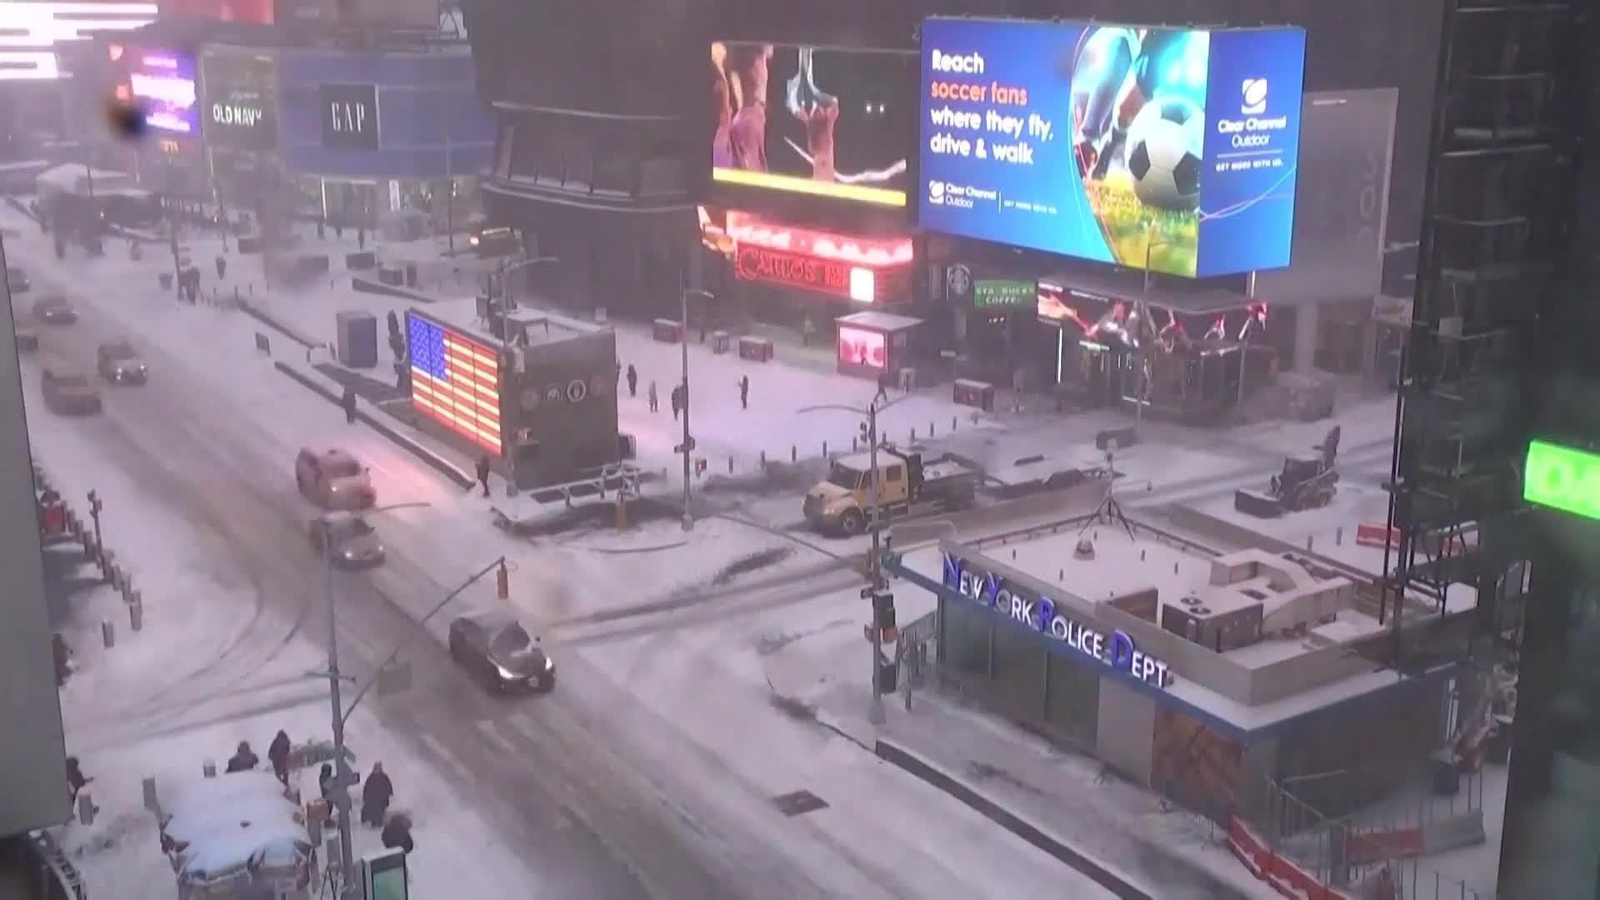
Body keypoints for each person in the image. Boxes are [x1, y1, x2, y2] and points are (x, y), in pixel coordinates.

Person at [361, 762, 394, 827]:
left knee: (379, 812)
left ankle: (378, 823)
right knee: (375, 812)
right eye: (377, 767)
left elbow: (388, 786)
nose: (377, 769)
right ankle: (375, 823)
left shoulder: (383, 777)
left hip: (381, 800)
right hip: (374, 800)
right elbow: (366, 788)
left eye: (379, 767)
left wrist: (389, 793)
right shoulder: (371, 777)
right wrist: (365, 797)